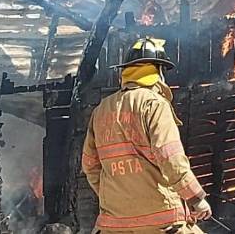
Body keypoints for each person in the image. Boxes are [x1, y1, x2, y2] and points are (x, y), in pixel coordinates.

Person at [82, 38, 213, 233]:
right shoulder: (154, 104)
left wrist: (114, 195)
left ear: (126, 72)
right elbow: (170, 159)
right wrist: (196, 198)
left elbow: (89, 165)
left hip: (114, 223)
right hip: (162, 221)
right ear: (158, 71)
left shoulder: (101, 110)